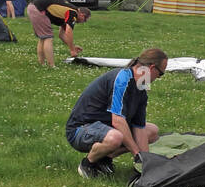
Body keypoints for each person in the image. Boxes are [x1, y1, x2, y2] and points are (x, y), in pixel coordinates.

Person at [67, 48, 167, 178]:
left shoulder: (141, 88)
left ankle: (103, 159)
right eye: (160, 74)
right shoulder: (122, 80)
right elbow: (117, 121)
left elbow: (139, 127)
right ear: (152, 68)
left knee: (152, 132)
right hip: (80, 130)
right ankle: (88, 164)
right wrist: (136, 153)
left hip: (107, 129)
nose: (158, 78)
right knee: (116, 137)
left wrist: (145, 162)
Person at [27, 0, 90, 67]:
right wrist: (72, 50)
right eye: (84, 20)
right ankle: (51, 66)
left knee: (43, 38)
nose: (82, 22)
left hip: (33, 7)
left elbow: (62, 35)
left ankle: (42, 64)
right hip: (38, 9)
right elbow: (68, 32)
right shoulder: (73, 12)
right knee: (48, 38)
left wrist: (73, 46)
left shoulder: (67, 13)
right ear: (82, 15)